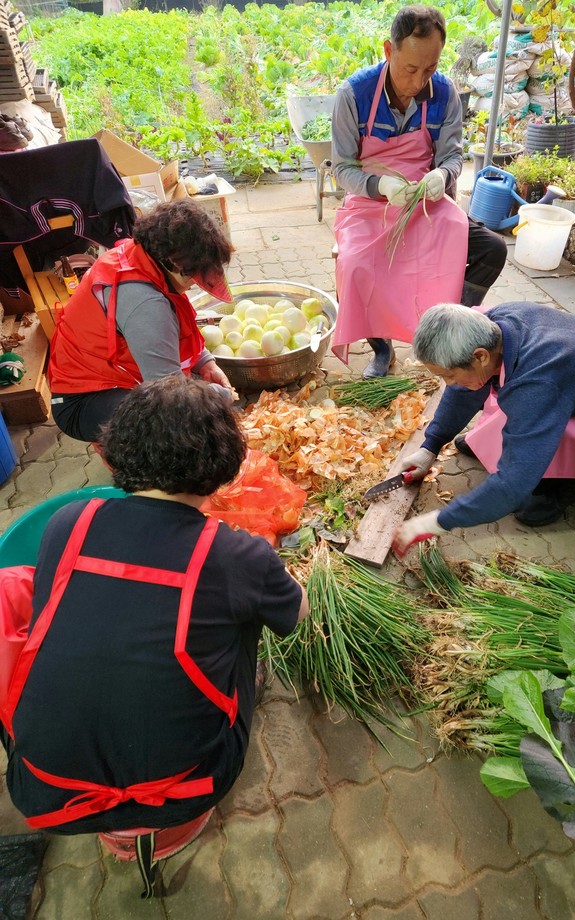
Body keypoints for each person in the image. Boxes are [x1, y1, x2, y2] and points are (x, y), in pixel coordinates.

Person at [2, 376, 308, 845]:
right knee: (248, 617)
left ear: (118, 452)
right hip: (181, 791)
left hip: (45, 792)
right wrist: (271, 574)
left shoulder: (69, 523)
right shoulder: (236, 556)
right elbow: (298, 613)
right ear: (224, 466)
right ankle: (169, 818)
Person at [392, 302, 575, 555]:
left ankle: (564, 487)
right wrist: (431, 446)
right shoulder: (490, 326)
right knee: (496, 397)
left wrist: (436, 522)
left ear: (480, 356)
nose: (448, 383)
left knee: (526, 482)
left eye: (448, 375)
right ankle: (520, 454)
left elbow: (511, 486)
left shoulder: (538, 383)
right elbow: (463, 392)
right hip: (566, 397)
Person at [330, 5, 507, 379]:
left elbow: (452, 156)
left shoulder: (444, 93)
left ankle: (450, 334)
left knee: (492, 249)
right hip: (370, 202)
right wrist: (381, 185)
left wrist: (442, 175)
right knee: (354, 266)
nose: (418, 81)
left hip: (425, 202)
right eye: (410, 68)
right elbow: (342, 169)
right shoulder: (354, 94)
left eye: (430, 68)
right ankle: (382, 349)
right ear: (388, 50)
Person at [48, 198, 236, 443]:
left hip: (109, 377)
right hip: (82, 401)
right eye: (193, 276)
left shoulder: (141, 256)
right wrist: (219, 396)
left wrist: (205, 363)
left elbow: (177, 322)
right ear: (175, 263)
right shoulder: (146, 304)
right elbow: (171, 397)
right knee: (179, 423)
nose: (193, 284)